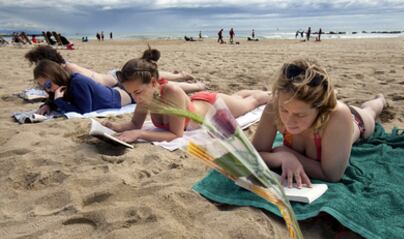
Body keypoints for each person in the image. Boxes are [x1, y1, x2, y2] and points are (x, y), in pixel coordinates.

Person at [252, 59, 387, 186]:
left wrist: (289, 154)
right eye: (284, 110)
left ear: (320, 109)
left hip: (356, 121)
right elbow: (253, 155)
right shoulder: (274, 106)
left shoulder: (336, 116)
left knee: (370, 110)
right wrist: (282, 156)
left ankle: (380, 100)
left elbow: (332, 175)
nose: (289, 120)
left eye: (300, 114)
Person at [103, 48, 270, 143]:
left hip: (212, 105)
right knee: (238, 98)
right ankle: (249, 92)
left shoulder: (171, 92)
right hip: (198, 103)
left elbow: (176, 134)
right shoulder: (144, 97)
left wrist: (140, 134)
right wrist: (114, 127)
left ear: (154, 83)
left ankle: (269, 93)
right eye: (131, 93)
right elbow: (134, 123)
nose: (135, 97)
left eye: (137, 92)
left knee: (252, 103)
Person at [24, 45, 206, 93]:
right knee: (153, 79)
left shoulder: (69, 69)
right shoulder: (61, 73)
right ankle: (180, 75)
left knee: (156, 83)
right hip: (112, 80)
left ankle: (189, 81)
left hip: (116, 82)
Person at [33, 60, 134, 115]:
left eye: (48, 85)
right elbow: (52, 99)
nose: (48, 90)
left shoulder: (77, 82)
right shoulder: (62, 87)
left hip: (127, 94)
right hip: (113, 91)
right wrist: (47, 105)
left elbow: (85, 111)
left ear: (56, 76)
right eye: (44, 88)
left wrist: (59, 102)